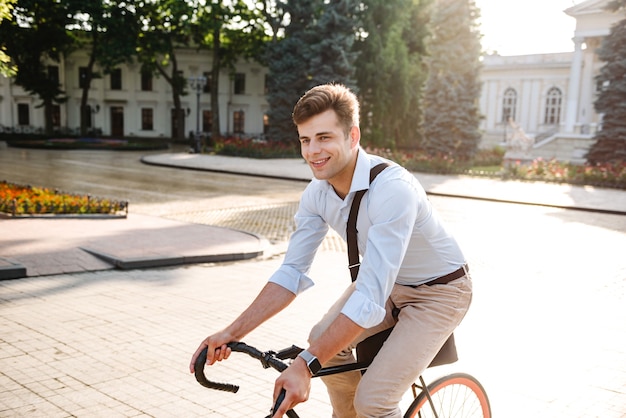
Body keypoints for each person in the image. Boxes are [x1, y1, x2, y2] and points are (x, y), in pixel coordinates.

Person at [190, 83, 473, 418]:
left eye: (324, 137)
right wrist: (229, 333)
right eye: (305, 140)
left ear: (352, 137)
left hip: (440, 292)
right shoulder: (317, 194)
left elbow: (368, 297)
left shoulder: (393, 191)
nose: (313, 151)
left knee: (374, 401)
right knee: (321, 341)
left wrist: (305, 367)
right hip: (387, 282)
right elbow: (291, 274)